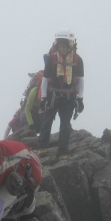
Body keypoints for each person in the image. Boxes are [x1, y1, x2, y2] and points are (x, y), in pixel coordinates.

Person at [37, 30, 85, 159]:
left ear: (70, 45)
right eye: (61, 45)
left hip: (69, 97)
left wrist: (80, 98)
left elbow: (80, 80)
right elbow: (45, 79)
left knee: (65, 124)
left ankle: (63, 151)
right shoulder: (51, 59)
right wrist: (44, 98)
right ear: (57, 45)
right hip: (52, 95)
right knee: (46, 122)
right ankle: (42, 147)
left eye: (65, 45)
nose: (63, 48)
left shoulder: (77, 60)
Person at [3, 70, 43, 139]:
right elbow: (9, 127)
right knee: (36, 124)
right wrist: (31, 124)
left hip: (32, 116)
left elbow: (9, 127)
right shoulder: (19, 115)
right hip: (28, 116)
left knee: (38, 125)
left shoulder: (18, 116)